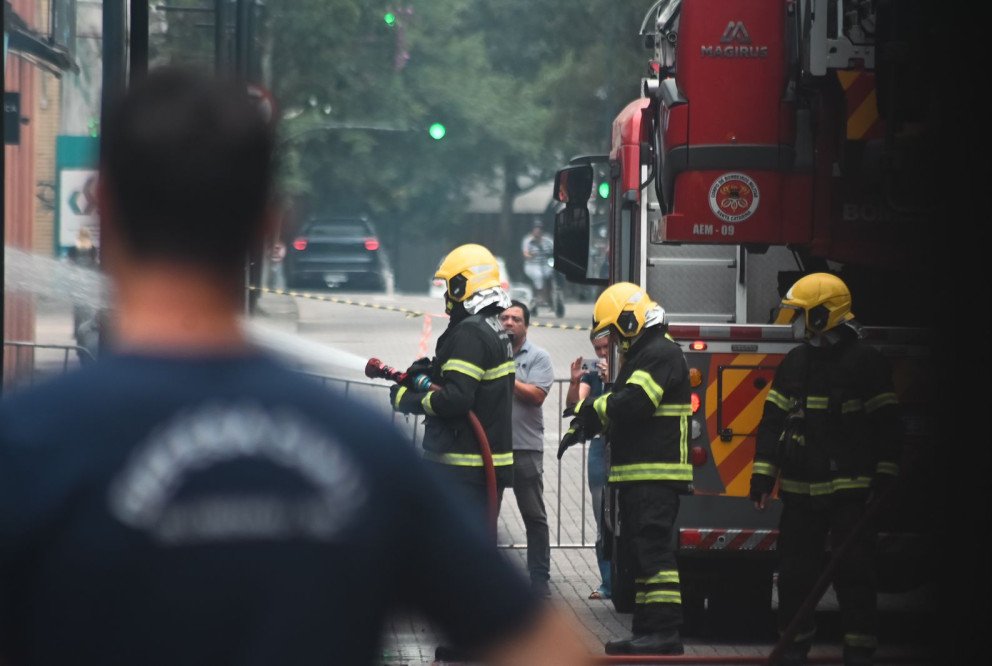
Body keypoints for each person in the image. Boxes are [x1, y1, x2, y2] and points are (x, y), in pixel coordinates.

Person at [0, 67, 590, 666]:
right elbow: (547, 647)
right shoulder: (360, 453)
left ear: (101, 206)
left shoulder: (24, 442)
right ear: (270, 224)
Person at [749, 273, 902, 666]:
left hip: (850, 496)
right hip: (800, 495)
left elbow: (888, 426)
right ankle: (794, 649)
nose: (797, 323)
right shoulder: (796, 363)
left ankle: (859, 651)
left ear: (823, 315)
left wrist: (885, 478)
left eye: (802, 314)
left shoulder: (866, 363)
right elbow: (771, 422)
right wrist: (762, 477)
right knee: (796, 577)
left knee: (855, 576)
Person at [559, 281, 691, 656]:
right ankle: (646, 630)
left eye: (616, 331)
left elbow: (634, 402)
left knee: (654, 554)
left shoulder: (660, 353)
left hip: (656, 472)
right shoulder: (645, 354)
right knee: (642, 556)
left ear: (630, 322)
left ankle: (665, 632)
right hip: (640, 474)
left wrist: (591, 411)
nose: (615, 340)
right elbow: (619, 405)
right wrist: (583, 425)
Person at [389, 243, 515, 531]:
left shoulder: (470, 332)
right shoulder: (492, 327)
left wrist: (410, 400)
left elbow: (457, 398)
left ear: (464, 286)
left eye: (450, 286)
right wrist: (431, 371)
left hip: (463, 466)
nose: (446, 295)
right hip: (481, 465)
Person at [500, 300, 555, 598]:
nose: (509, 323)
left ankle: (539, 579)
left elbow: (535, 396)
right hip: (494, 448)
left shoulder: (538, 357)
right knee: (486, 516)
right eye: (504, 318)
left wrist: (507, 373)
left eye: (516, 319)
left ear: (526, 325)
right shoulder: (488, 355)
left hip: (526, 449)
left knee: (534, 517)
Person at [566, 329, 613, 600]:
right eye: (598, 349)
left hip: (625, 447)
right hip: (599, 447)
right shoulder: (594, 373)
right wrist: (574, 383)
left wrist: (613, 381)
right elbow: (574, 406)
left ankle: (627, 580)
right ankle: (607, 582)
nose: (603, 354)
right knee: (601, 517)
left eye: (607, 347)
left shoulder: (631, 368)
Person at [66, 226, 101, 363]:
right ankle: (85, 345)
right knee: (88, 317)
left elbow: (70, 266)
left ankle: (80, 345)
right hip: (89, 289)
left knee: (79, 317)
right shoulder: (92, 249)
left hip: (78, 289)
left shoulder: (73, 249)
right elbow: (96, 265)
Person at [521, 219, 555, 309]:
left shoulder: (548, 240)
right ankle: (539, 296)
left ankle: (552, 296)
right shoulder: (528, 240)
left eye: (539, 228)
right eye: (535, 228)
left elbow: (555, 250)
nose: (537, 230)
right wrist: (530, 255)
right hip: (532, 265)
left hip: (545, 264)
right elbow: (525, 253)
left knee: (552, 273)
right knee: (538, 275)